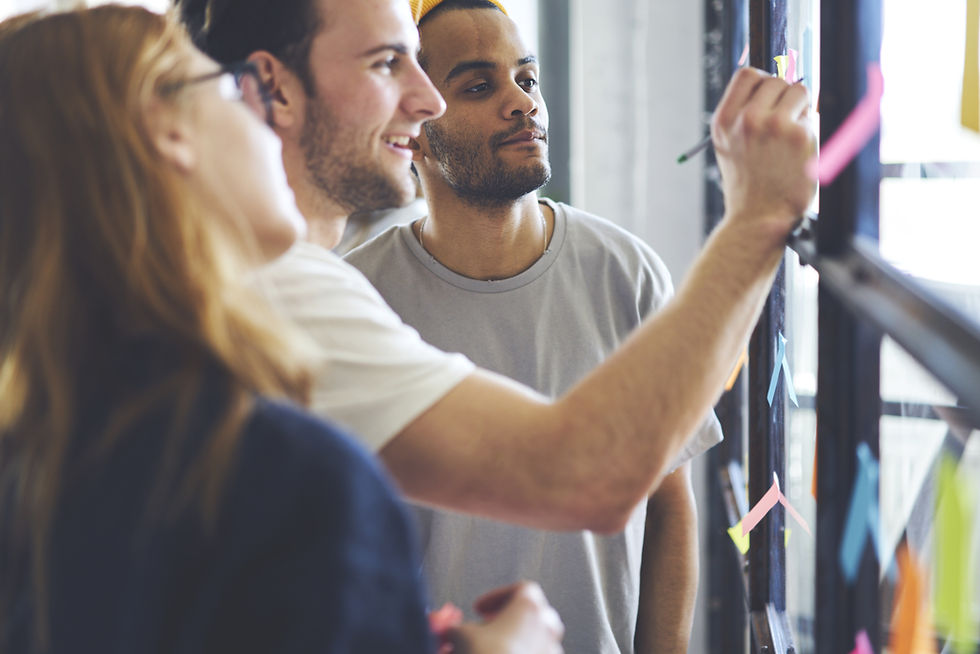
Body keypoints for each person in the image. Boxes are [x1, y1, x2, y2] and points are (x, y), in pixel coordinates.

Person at [0, 7, 563, 653]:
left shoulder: (42, 453)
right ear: (170, 135)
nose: (263, 112)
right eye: (228, 87)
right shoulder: (296, 478)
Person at [176, 0, 815, 535]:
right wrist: (757, 217)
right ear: (275, 88)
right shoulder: (284, 295)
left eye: (526, 79)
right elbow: (582, 474)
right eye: (386, 63)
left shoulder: (266, 279)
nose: (426, 101)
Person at [344, 2, 713, 651]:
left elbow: (668, 502)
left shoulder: (627, 274)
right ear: (417, 126)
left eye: (528, 79)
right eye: (479, 86)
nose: (522, 103)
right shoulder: (356, 297)